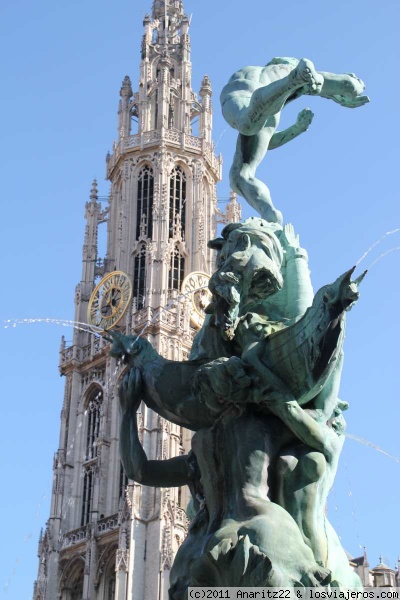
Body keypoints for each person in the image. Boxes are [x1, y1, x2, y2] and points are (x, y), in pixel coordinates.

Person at [220, 57, 369, 223]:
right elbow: (268, 142)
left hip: (247, 94)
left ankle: (294, 82)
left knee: (245, 136)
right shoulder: (286, 72)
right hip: (271, 103)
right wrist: (298, 128)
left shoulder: (255, 71)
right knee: (238, 176)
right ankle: (271, 216)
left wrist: (342, 89)